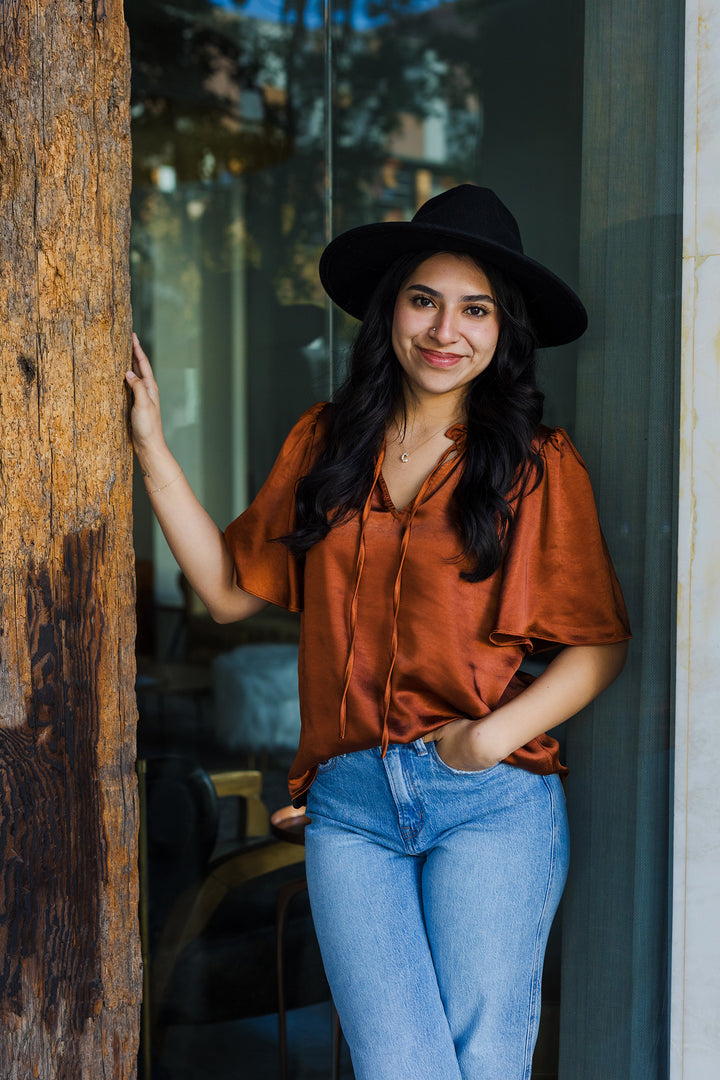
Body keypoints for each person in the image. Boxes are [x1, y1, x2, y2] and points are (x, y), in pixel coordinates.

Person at [126, 185, 631, 1080]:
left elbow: (597, 643)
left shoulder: (537, 467)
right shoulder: (328, 443)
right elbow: (227, 593)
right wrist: (155, 451)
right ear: (390, 310)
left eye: (475, 309)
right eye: (425, 300)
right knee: (397, 1066)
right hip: (351, 809)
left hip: (490, 803)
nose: (447, 331)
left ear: (502, 330)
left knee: (481, 1063)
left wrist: (485, 741)